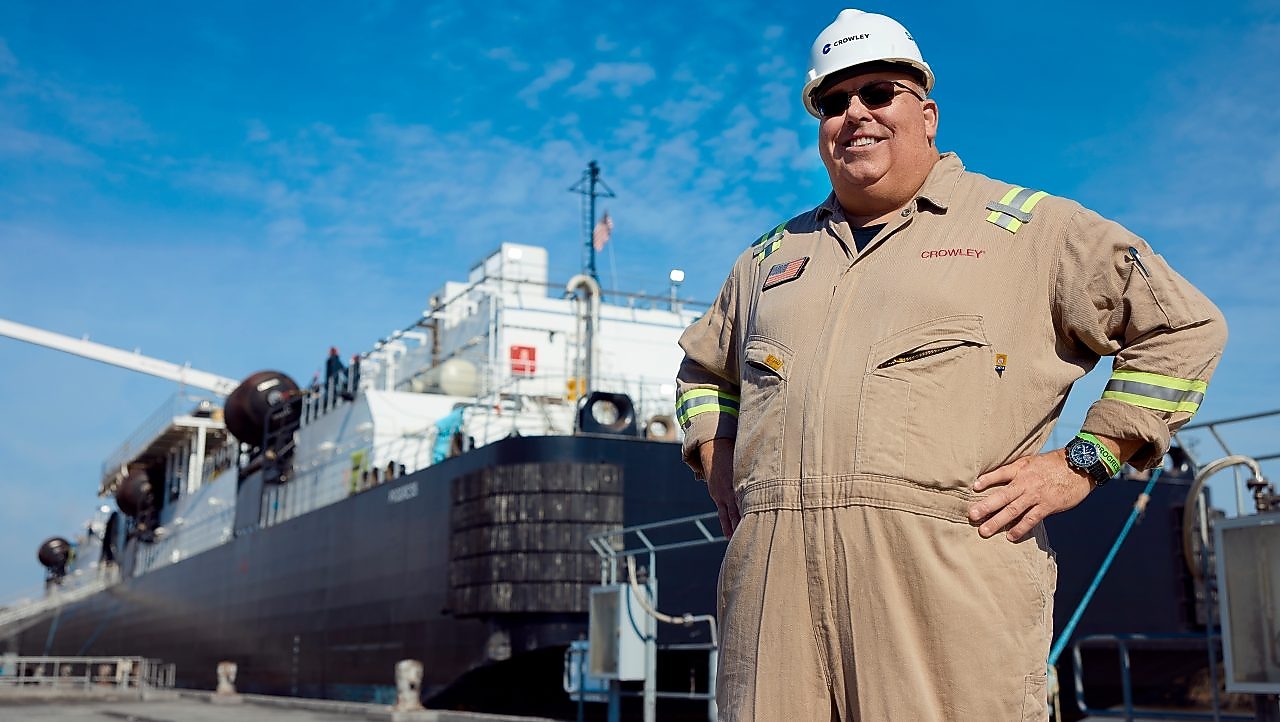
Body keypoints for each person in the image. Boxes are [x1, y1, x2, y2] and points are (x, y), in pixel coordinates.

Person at [674, 9, 1227, 721]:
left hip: (944, 601)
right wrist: (717, 455)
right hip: (770, 605)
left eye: (877, 92)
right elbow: (702, 372)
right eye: (832, 101)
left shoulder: (1030, 230)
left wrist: (1086, 459)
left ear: (927, 114)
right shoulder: (769, 260)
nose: (855, 114)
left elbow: (1183, 327)